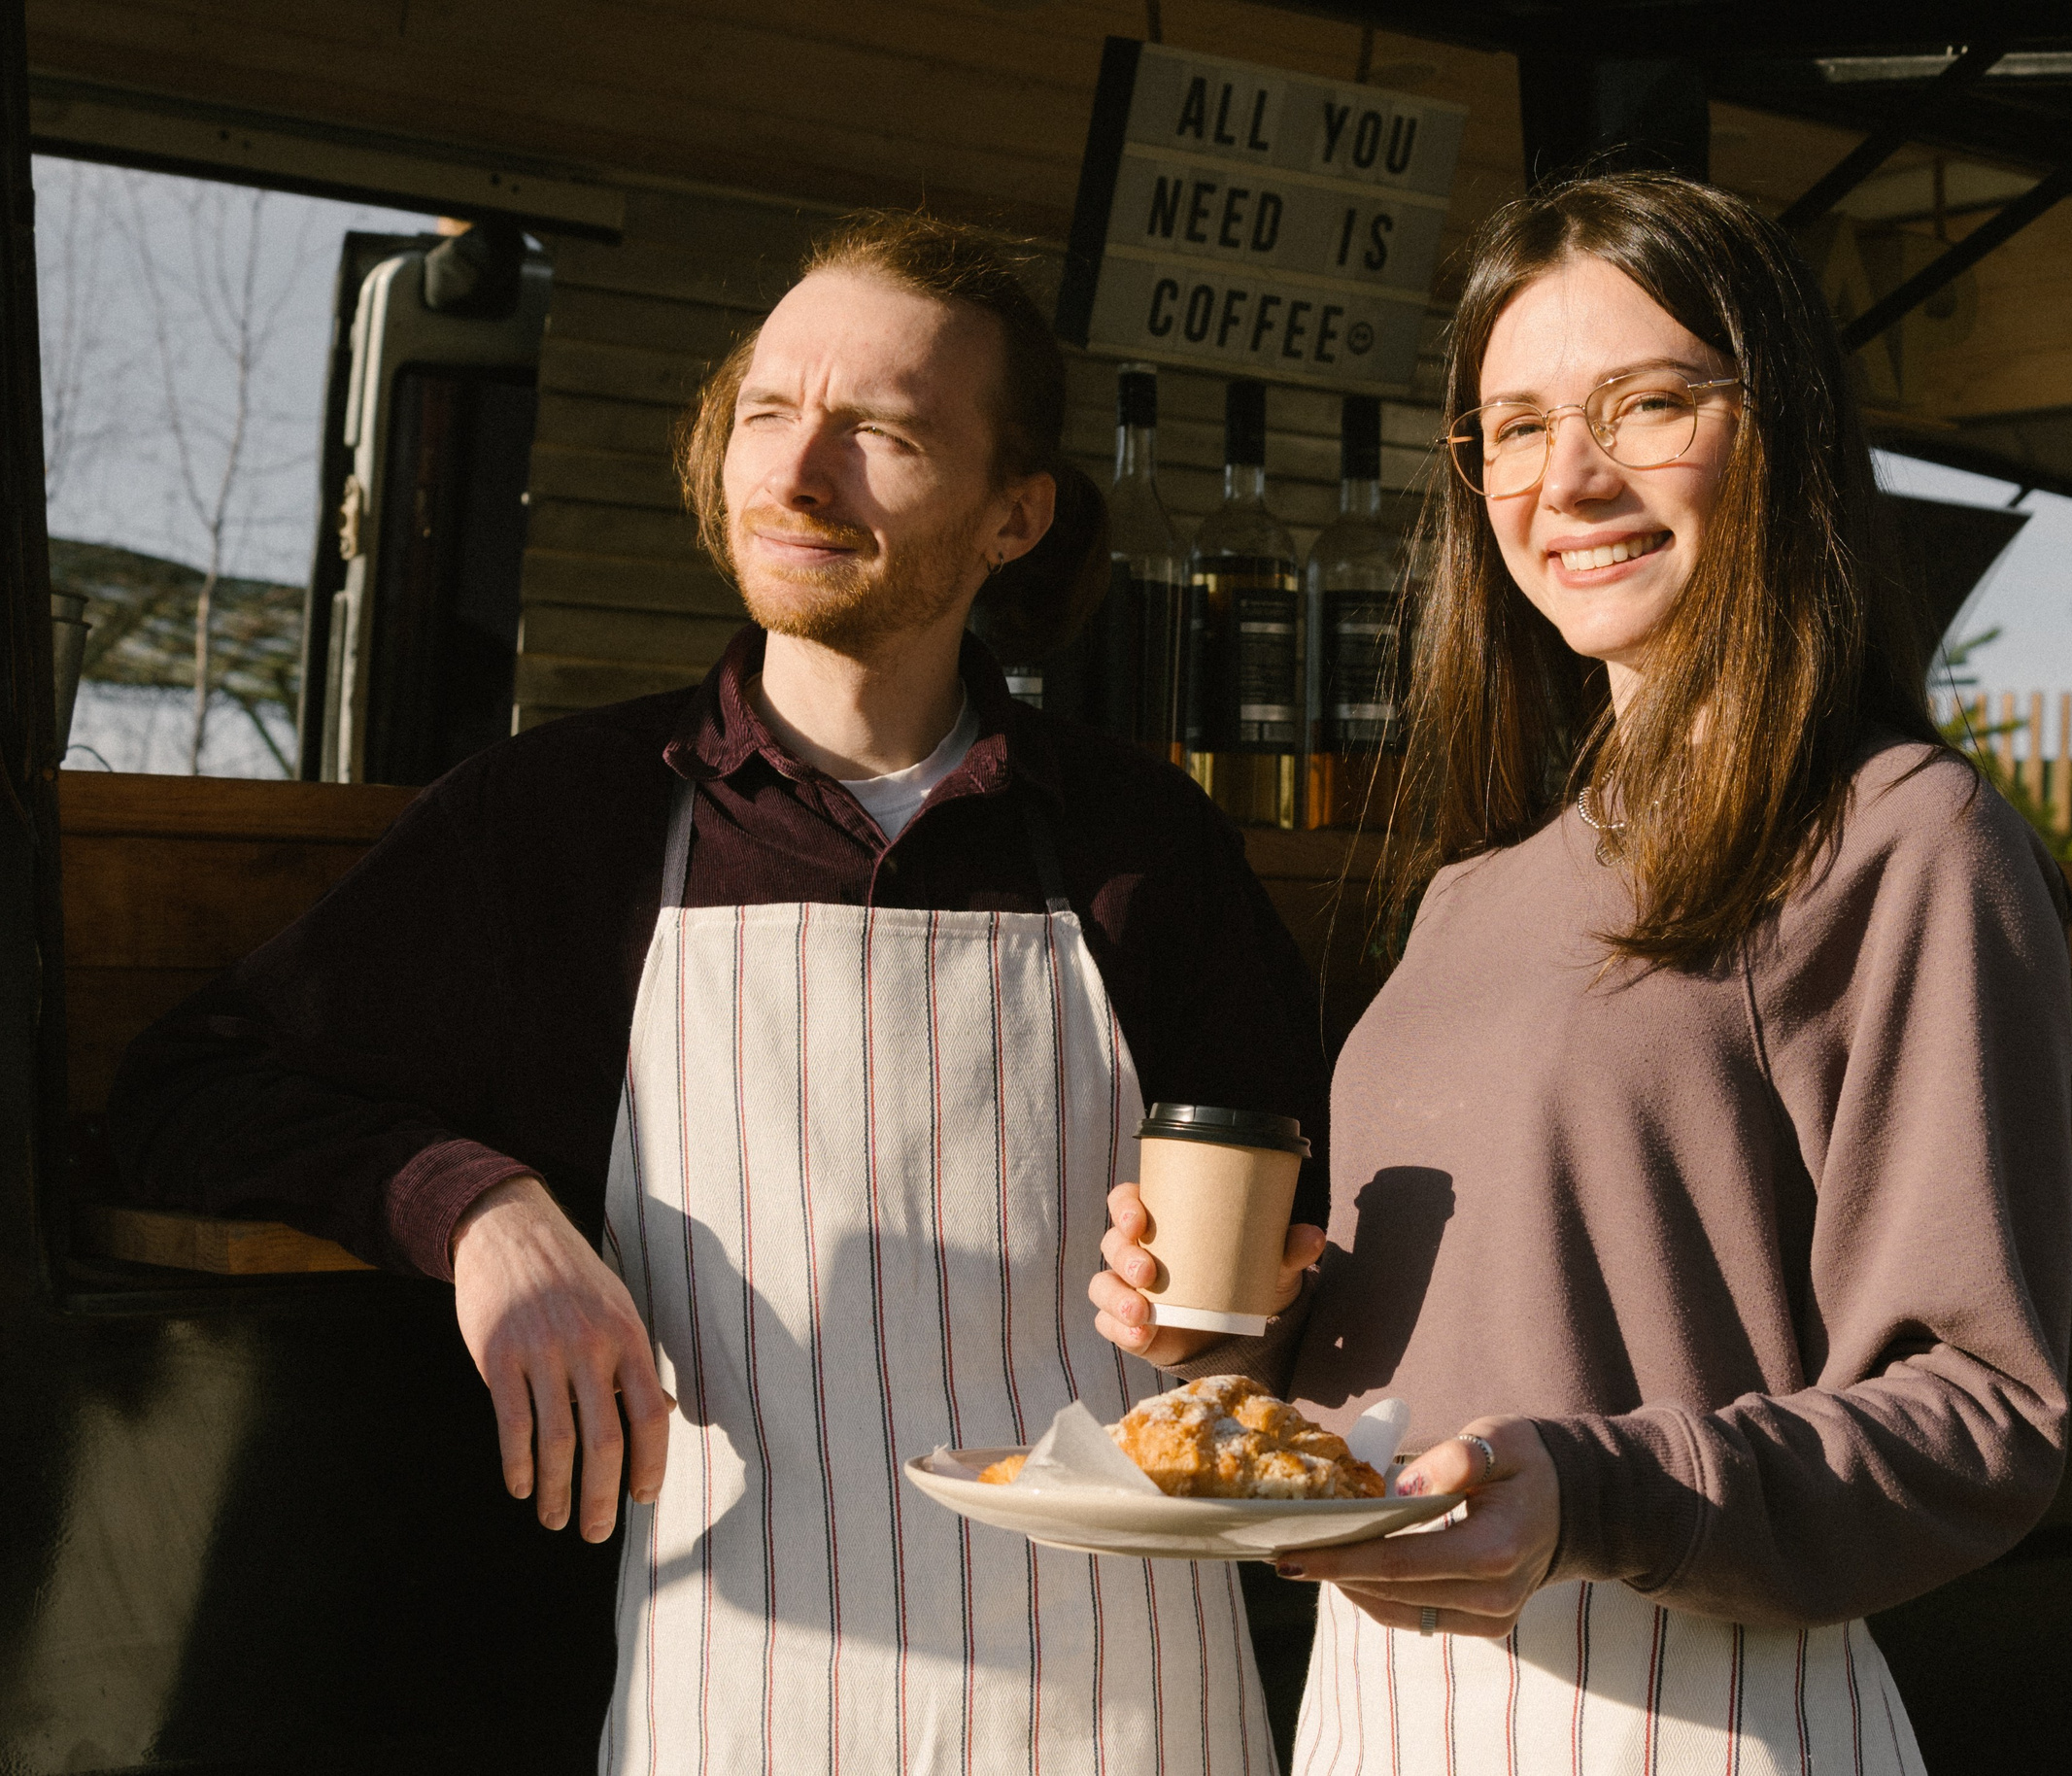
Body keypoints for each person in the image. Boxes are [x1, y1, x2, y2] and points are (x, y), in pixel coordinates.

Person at [111, 211, 1329, 1774]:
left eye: (879, 432)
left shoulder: (1138, 844)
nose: (796, 473)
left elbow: (1304, 1260)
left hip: (1128, 1708)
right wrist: (480, 1213)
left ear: (1013, 516)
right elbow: (186, 1089)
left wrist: (1242, 1330)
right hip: (740, 1700)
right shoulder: (573, 820)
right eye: (767, 411)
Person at [1093, 171, 2072, 1772]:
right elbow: (1469, 1356)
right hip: (1374, 1709)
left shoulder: (1898, 838)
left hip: (1687, 1711)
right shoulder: (1472, 891)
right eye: (1521, 427)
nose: (1574, 479)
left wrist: (1597, 1490)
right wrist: (1246, 1337)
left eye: (1649, 404)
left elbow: (1979, 1415)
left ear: (1784, 429)